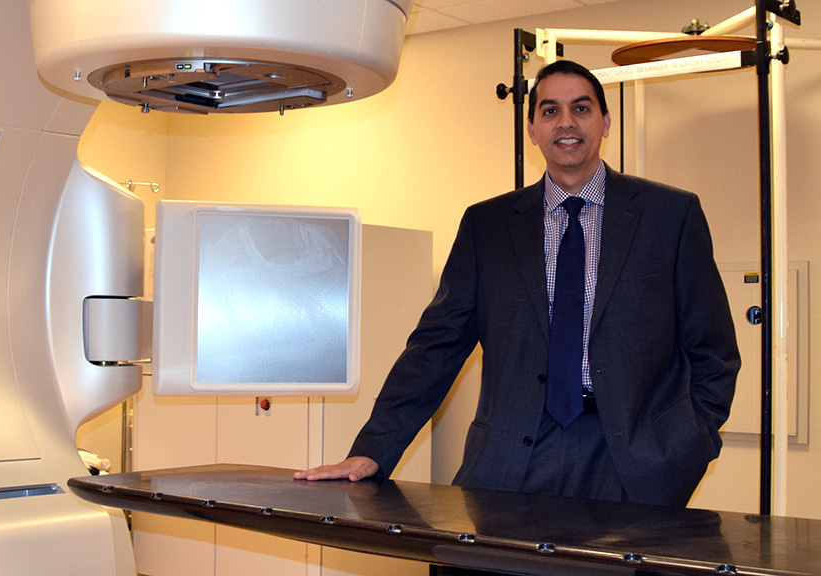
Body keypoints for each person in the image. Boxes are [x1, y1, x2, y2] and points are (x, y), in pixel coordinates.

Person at [295, 60, 740, 509]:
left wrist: (689, 444)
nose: (565, 122)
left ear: (605, 122)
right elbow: (437, 347)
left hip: (633, 461)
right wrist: (374, 448)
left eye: (581, 108)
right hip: (514, 458)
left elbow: (713, 350)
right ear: (532, 129)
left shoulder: (669, 216)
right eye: (549, 111)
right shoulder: (487, 225)